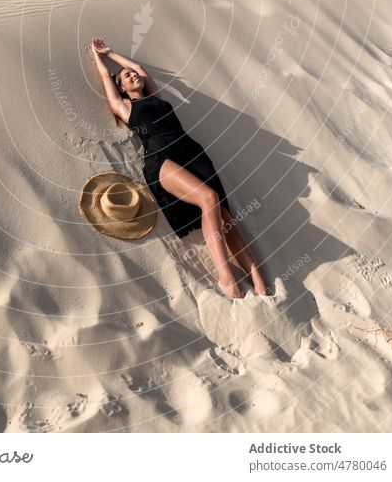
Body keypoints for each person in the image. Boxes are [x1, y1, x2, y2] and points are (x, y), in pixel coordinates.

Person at [89, 36, 271, 299]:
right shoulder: (125, 107)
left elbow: (142, 70)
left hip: (189, 150)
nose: (133, 76)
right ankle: (225, 275)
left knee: (226, 218)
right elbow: (107, 78)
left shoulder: (158, 98)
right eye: (126, 77)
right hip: (161, 158)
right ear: (122, 89)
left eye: (132, 74)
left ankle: (258, 280)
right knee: (208, 198)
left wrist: (113, 53)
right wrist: (99, 57)